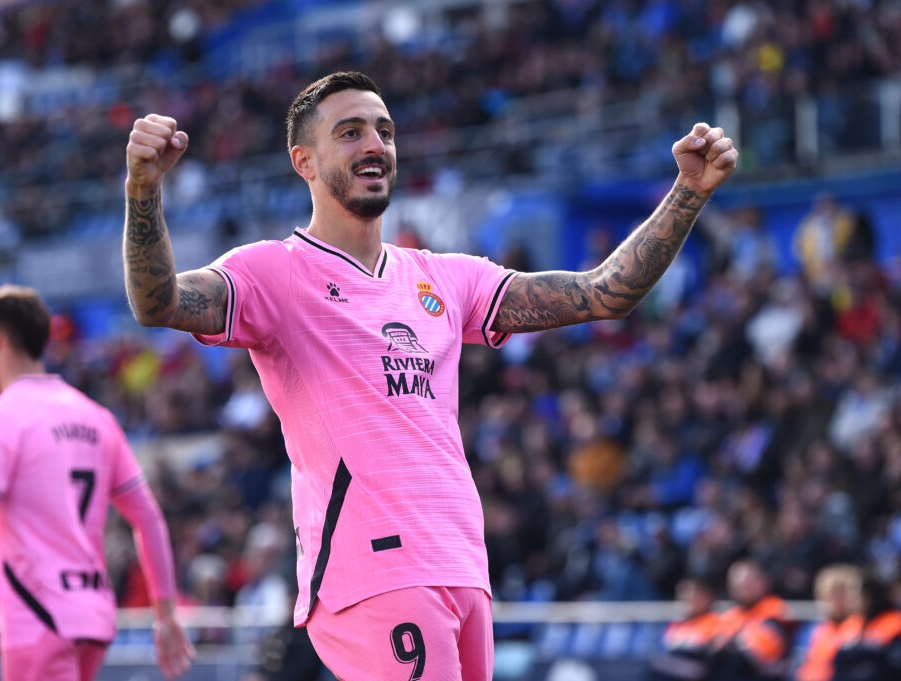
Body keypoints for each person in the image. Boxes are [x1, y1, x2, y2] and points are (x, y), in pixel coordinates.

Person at [121, 71, 738, 680]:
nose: (375, 145)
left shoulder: (444, 277)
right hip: (376, 571)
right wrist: (143, 192)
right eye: (351, 132)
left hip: (462, 565)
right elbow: (160, 302)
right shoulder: (273, 273)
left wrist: (688, 192)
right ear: (303, 160)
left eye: (384, 131)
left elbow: (603, 294)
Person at [0, 285, 195, 681]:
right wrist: (164, 614)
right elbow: (148, 518)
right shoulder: (97, 416)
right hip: (93, 615)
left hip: (38, 617)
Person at [709, 560, 792, 681]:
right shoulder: (729, 616)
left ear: (762, 581)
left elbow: (769, 655)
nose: (744, 589)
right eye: (739, 585)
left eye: (749, 584)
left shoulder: (775, 610)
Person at [795, 564, 862, 681]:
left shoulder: (863, 628)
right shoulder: (812, 629)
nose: (836, 599)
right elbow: (798, 665)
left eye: (842, 593)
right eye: (831, 593)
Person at [649, 576, 721, 681]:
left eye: (695, 595)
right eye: (684, 595)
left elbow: (704, 666)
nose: (689, 599)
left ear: (707, 596)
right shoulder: (675, 625)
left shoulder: (717, 623)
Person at [832, 573, 901, 681]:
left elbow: (893, 665)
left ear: (869, 596)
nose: (851, 600)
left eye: (856, 595)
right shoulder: (851, 623)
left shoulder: (894, 622)